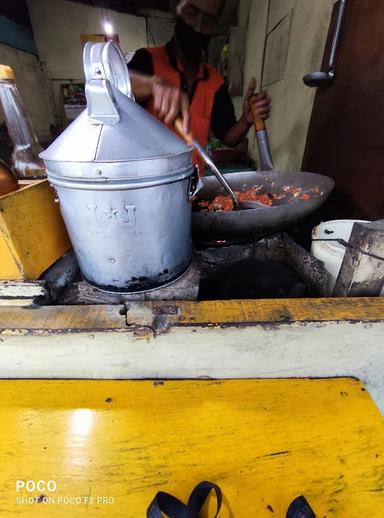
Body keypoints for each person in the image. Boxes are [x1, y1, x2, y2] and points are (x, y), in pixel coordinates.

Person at [128, 0, 271, 171]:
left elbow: (227, 138)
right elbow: (112, 87)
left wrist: (245, 120)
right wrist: (152, 84)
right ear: (175, 8)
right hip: (149, 183)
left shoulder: (215, 82)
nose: (199, 26)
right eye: (191, 13)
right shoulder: (147, 59)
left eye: (209, 20)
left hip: (195, 186)